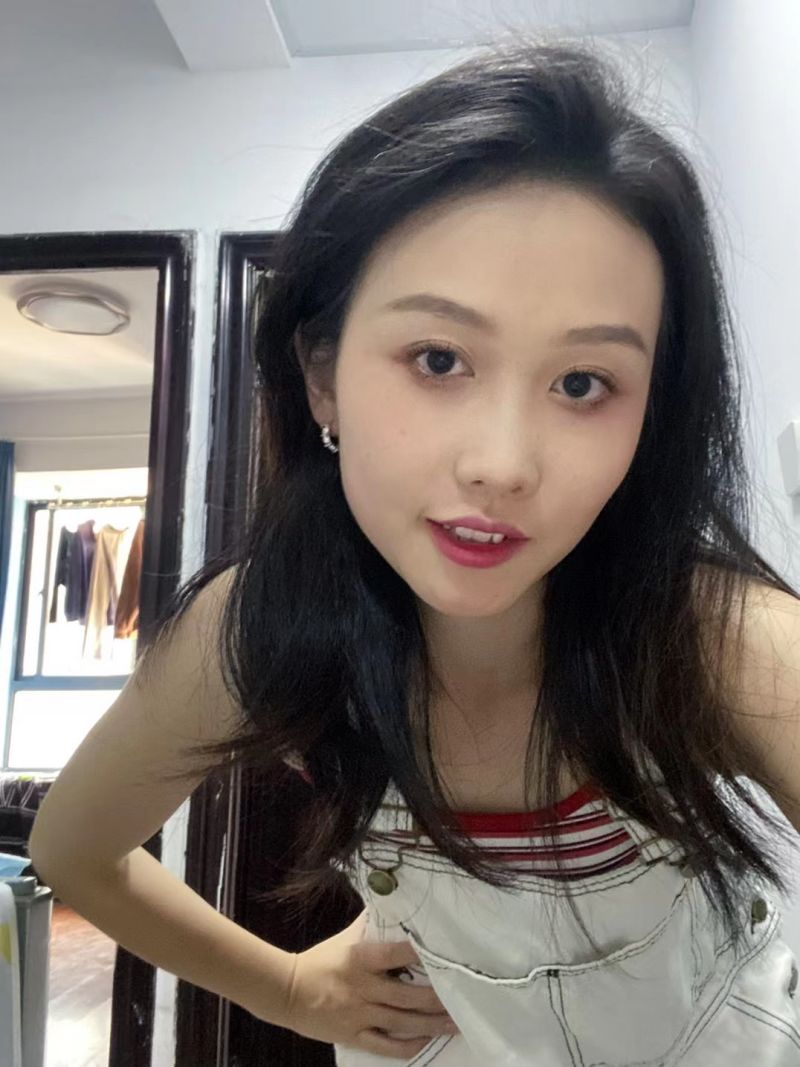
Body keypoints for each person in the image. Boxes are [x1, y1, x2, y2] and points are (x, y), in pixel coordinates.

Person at [28, 35, 800, 1065]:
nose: (502, 464)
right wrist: (287, 988)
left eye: (582, 383)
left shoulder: (715, 641)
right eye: (438, 358)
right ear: (322, 378)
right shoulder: (255, 629)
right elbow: (73, 849)